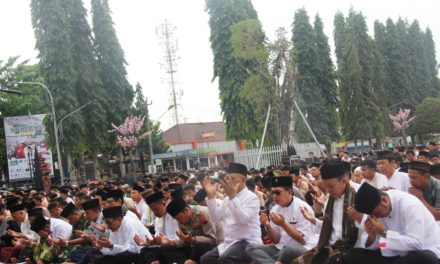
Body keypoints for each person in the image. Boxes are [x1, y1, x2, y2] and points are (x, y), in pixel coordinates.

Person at [345, 183, 440, 264]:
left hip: (423, 251)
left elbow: (416, 244)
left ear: (384, 200)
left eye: (376, 213)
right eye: (372, 215)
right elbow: (383, 245)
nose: (375, 217)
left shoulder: (409, 205)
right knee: (353, 254)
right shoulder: (378, 209)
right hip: (395, 253)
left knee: (421, 258)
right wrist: (372, 237)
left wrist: (383, 232)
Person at [294, 159, 359, 264]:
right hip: (328, 246)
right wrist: (313, 220)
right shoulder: (331, 199)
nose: (328, 190)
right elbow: (329, 227)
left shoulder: (358, 196)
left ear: (344, 180)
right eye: (326, 186)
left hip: (349, 249)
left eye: (331, 186)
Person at [246, 176, 318, 264]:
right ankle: (276, 261)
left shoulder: (303, 208)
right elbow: (276, 240)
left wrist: (283, 224)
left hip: (302, 248)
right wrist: (268, 226)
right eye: (272, 193)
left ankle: (274, 260)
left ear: (289, 192)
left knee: (288, 250)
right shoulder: (275, 209)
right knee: (251, 248)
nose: (274, 196)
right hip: (281, 248)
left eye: (277, 193)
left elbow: (302, 240)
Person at [200, 163, 262, 264]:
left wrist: (233, 197)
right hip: (230, 242)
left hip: (248, 241)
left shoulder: (251, 197)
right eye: (228, 179)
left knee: (225, 259)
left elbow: (243, 219)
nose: (229, 182)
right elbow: (215, 219)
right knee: (205, 259)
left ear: (243, 180)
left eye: (233, 179)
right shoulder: (226, 199)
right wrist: (210, 196)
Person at [165, 198, 218, 264]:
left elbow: (213, 240)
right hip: (195, 248)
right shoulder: (182, 221)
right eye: (176, 219)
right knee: (166, 250)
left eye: (179, 218)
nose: (179, 222)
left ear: (186, 210)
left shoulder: (202, 213)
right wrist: (170, 243)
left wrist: (193, 240)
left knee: (198, 249)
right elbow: (185, 241)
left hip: (216, 247)